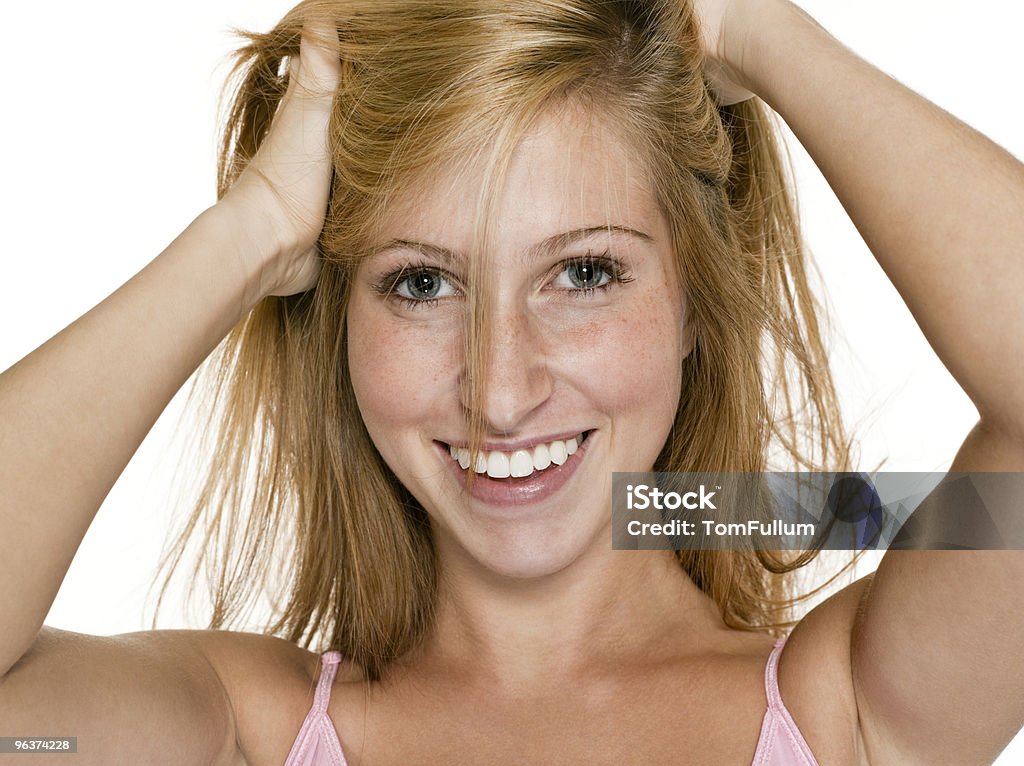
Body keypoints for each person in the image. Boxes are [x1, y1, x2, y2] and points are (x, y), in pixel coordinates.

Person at [1, 1, 1022, 765]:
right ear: (342, 322)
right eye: (420, 282)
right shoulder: (247, 728)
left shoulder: (845, 709)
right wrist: (252, 229)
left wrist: (749, 26)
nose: (498, 390)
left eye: (583, 274)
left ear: (697, 302)